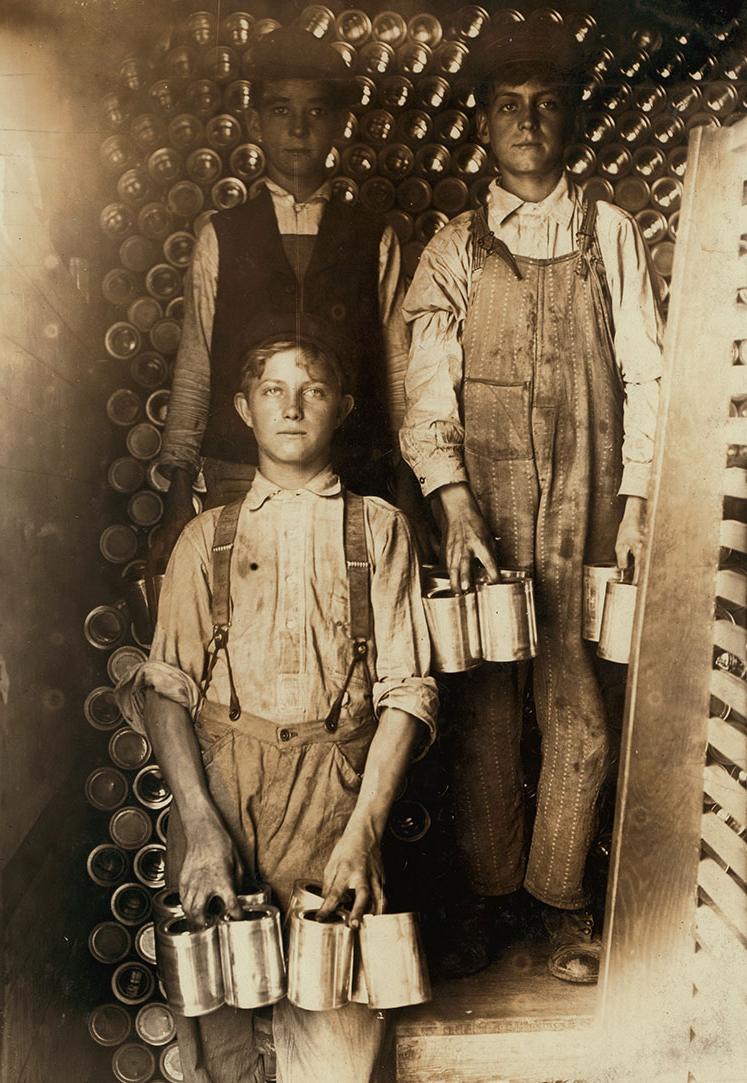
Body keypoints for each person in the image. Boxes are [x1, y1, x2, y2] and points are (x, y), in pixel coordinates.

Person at [399, 21, 665, 984]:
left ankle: (559, 897)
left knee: (580, 715)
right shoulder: (455, 245)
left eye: (546, 104)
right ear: (481, 123)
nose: (527, 120)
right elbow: (425, 386)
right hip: (486, 516)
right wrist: (454, 502)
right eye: (509, 104)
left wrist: (635, 503)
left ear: (572, 122)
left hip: (588, 509)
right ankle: (487, 897)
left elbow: (648, 373)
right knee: (482, 714)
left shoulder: (609, 232)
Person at [117, 321, 438, 1083]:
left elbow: (408, 696)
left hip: (335, 799)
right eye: (273, 390)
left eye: (313, 390)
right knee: (220, 1052)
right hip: (222, 793)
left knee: (335, 1054)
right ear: (243, 407)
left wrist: (362, 835)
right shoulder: (205, 538)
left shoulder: (380, 530)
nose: (292, 406)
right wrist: (198, 828)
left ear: (344, 407)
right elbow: (167, 689)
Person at [148, 26, 415, 585]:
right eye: (279, 110)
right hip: (237, 479)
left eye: (316, 112)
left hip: (352, 477)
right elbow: (196, 368)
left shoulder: (375, 238)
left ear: (340, 124)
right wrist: (177, 498)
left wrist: (410, 489)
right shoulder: (221, 235)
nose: (297, 129)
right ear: (255, 124)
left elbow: (396, 376)